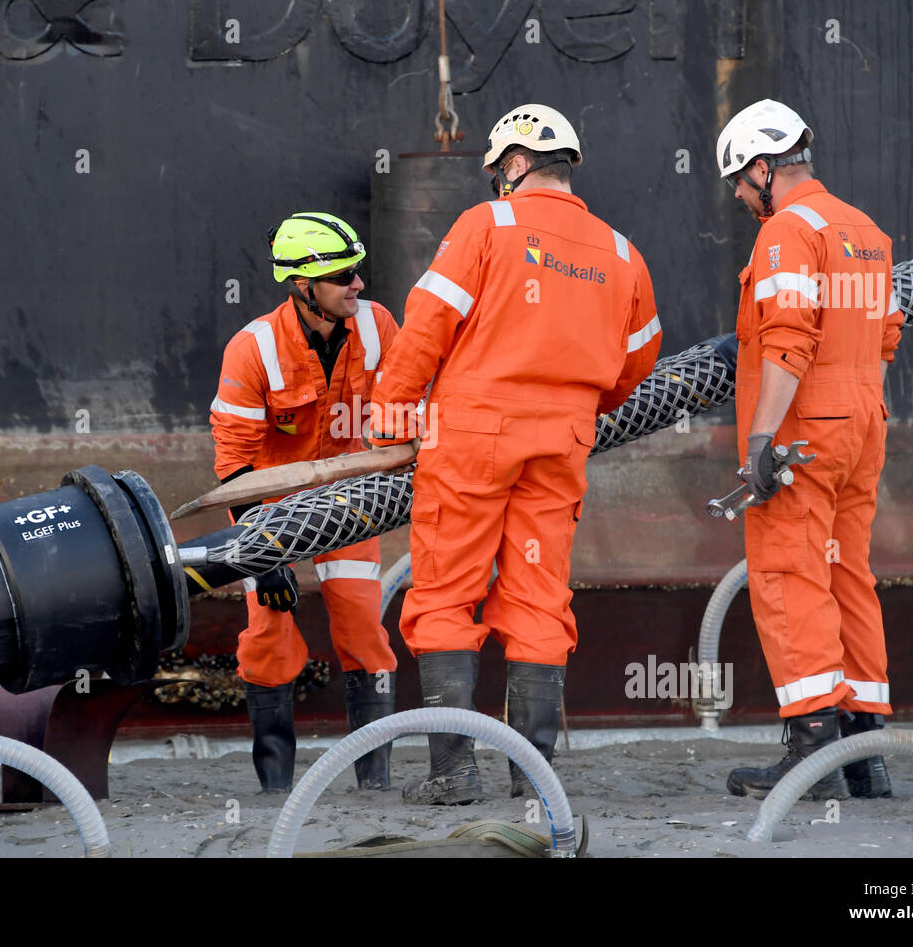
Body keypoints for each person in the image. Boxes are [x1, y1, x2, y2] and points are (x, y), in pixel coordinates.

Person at [369, 104, 662, 803]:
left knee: (444, 594)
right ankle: (535, 781)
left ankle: (452, 773)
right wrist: (587, 402)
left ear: (516, 164)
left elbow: (428, 323)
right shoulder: (622, 252)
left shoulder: (487, 225)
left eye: (500, 169)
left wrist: (390, 415)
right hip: (560, 443)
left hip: (473, 434)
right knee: (538, 598)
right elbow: (638, 356)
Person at [715, 99, 902, 800]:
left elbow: (789, 341)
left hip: (805, 427)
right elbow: (885, 337)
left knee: (790, 574)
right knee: (848, 572)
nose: (738, 193)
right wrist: (862, 412)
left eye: (739, 178)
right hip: (863, 421)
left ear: (766, 168)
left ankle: (810, 751)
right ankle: (865, 754)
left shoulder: (787, 232)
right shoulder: (867, 232)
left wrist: (763, 438)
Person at [209, 212, 400, 793]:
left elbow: (407, 408)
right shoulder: (252, 350)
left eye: (357, 273)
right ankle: (276, 792)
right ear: (302, 284)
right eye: (343, 276)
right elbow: (234, 465)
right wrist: (263, 555)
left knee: (366, 632)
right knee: (267, 636)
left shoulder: (379, 327)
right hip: (269, 509)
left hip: (351, 501)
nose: (358, 285)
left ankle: (376, 786)